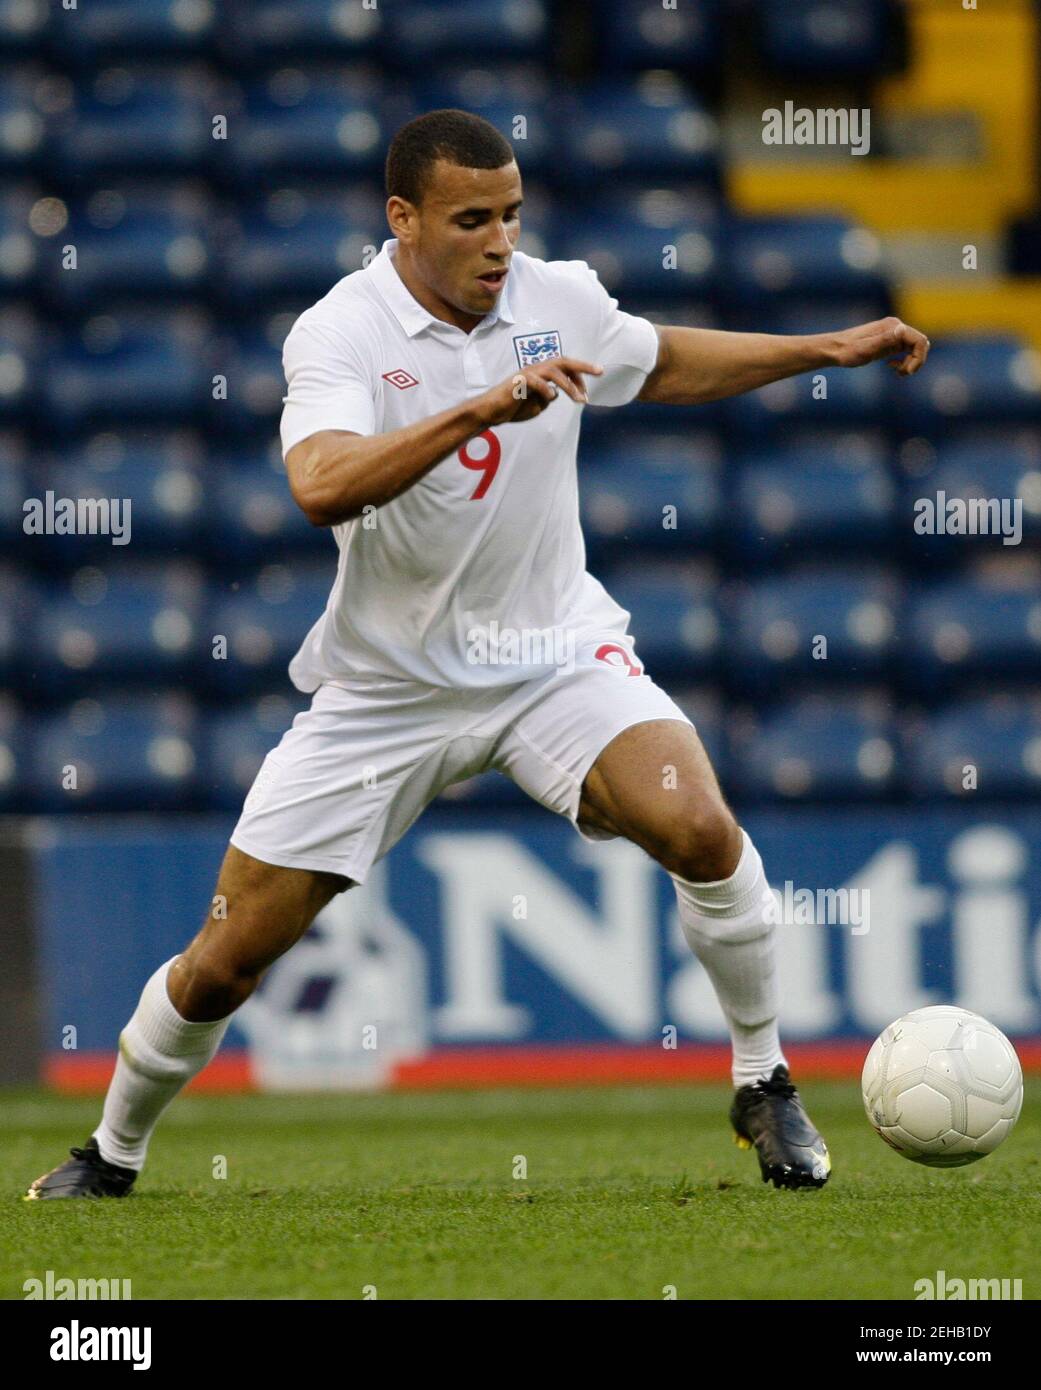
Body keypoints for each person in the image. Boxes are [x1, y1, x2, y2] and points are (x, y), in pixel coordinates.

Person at [27, 109, 929, 1200]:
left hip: (555, 653)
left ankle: (762, 1077)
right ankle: (111, 1152)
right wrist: (470, 410)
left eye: (510, 214)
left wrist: (825, 350)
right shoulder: (338, 333)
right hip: (387, 688)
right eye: (471, 220)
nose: (500, 241)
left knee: (699, 824)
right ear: (402, 219)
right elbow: (319, 484)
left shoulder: (559, 299)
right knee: (226, 959)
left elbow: (664, 360)